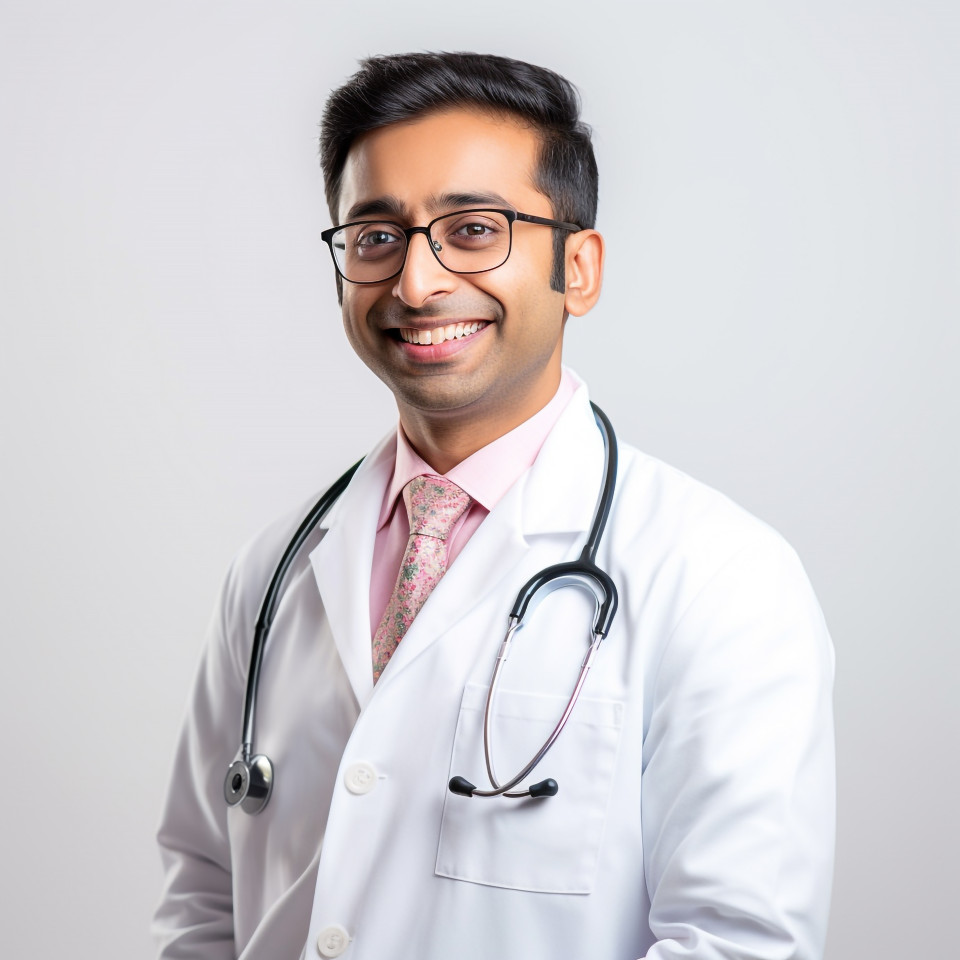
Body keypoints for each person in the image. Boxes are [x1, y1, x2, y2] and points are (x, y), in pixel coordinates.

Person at [152, 52, 835, 960]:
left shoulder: (720, 577)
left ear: (577, 269)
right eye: (375, 236)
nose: (417, 284)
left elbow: (741, 944)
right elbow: (203, 901)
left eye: (474, 229)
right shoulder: (273, 573)